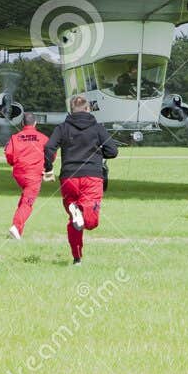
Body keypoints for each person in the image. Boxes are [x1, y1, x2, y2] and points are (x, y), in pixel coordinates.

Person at [43, 95, 119, 264]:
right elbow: (113, 151)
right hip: (91, 176)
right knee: (90, 222)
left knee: (74, 221)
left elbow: (49, 147)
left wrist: (48, 167)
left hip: (69, 177)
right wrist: (99, 153)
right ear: (87, 109)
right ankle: (81, 214)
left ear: (71, 110)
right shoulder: (97, 128)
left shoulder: (62, 128)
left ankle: (77, 258)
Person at [2, 113, 47, 240]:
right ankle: (16, 226)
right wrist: (47, 166)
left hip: (19, 174)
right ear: (35, 123)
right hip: (33, 175)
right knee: (28, 202)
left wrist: (12, 163)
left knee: (25, 199)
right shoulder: (43, 138)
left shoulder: (14, 138)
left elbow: (9, 154)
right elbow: (51, 153)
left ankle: (18, 231)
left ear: (22, 124)